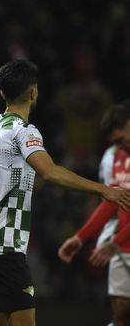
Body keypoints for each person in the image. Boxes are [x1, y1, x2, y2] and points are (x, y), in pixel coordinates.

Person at [0, 59, 130, 326]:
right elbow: (49, 172)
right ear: (34, 92)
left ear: (2, 93)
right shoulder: (24, 131)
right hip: (5, 249)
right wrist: (102, 189)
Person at [58, 100, 130, 326]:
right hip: (123, 248)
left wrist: (115, 242)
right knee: (120, 315)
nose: (119, 145)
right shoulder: (119, 156)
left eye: (121, 138)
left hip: (120, 244)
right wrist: (80, 237)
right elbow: (113, 200)